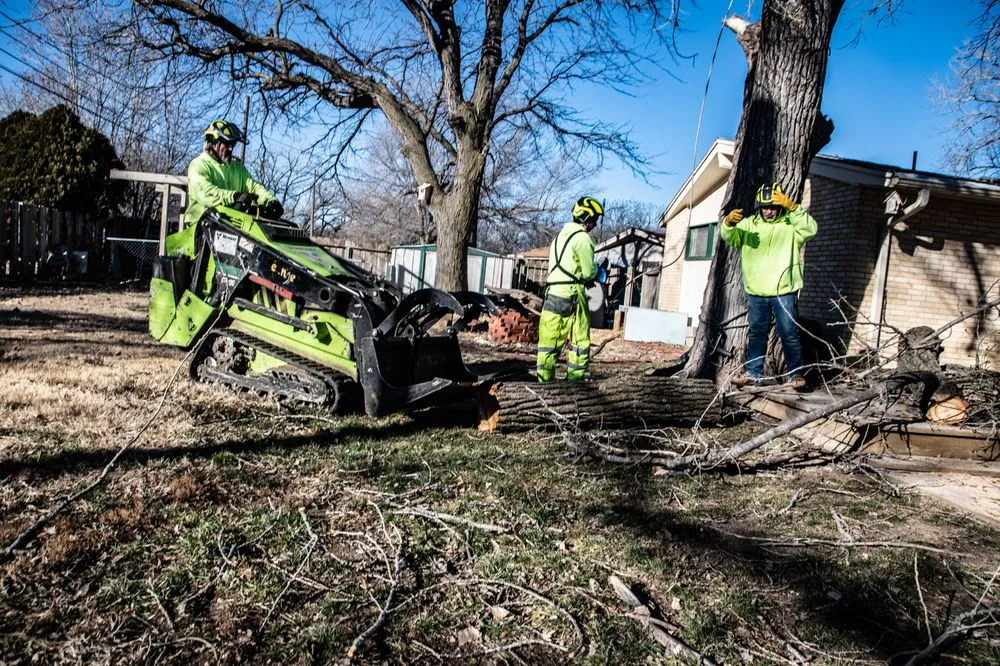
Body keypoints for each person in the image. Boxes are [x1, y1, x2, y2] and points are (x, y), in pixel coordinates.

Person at [721, 182, 818, 390]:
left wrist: (793, 208)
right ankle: (753, 373)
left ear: (780, 206)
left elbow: (811, 229)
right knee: (757, 333)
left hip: (784, 290)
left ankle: (796, 376)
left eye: (773, 207)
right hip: (757, 291)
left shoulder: (791, 225)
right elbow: (731, 238)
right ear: (759, 207)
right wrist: (728, 224)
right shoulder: (749, 225)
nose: (769, 211)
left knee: (789, 332)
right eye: (765, 207)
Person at [536, 196, 607, 382]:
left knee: (548, 343)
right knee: (579, 342)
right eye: (594, 219)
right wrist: (597, 272)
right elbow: (588, 272)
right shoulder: (583, 239)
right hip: (572, 296)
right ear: (586, 218)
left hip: (552, 293)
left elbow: (568, 268)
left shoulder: (558, 238)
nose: (595, 224)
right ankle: (575, 384)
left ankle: (543, 382)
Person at [184, 119, 283, 226]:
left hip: (231, 227)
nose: (231, 149)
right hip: (201, 226)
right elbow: (205, 193)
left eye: (233, 145)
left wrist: (270, 201)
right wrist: (236, 197)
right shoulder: (198, 165)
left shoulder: (238, 169)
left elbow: (255, 188)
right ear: (213, 143)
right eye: (227, 144)